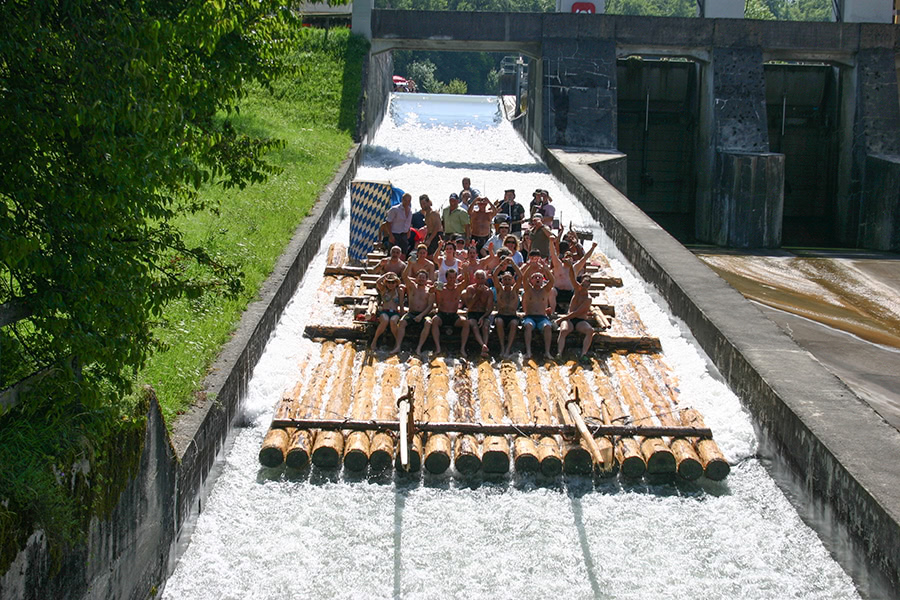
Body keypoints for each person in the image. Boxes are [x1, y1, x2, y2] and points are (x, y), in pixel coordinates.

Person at [556, 261, 601, 357]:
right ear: (581, 283)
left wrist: (560, 319)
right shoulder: (577, 289)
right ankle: (559, 353)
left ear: (589, 287)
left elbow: (577, 313)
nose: (584, 287)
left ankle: (583, 354)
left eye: (587, 286)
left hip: (580, 320)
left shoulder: (588, 299)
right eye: (583, 284)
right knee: (563, 330)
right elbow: (572, 277)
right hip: (569, 319)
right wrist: (570, 266)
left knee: (590, 331)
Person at [520, 258, 556, 359]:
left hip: (542, 317)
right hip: (530, 316)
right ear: (531, 280)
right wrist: (531, 267)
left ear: (542, 280)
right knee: (528, 325)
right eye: (535, 277)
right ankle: (528, 351)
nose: (537, 279)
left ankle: (547, 352)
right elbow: (524, 278)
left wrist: (546, 269)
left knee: (547, 326)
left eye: (539, 277)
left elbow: (552, 280)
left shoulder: (545, 290)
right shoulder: (528, 289)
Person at [550, 238, 597, 312]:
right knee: (551, 291)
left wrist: (592, 248)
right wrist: (551, 242)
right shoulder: (558, 265)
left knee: (579, 291)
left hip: (570, 292)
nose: (568, 259)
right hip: (557, 291)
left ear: (572, 259)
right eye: (566, 257)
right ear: (563, 259)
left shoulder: (575, 267)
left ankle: (572, 311)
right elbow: (553, 254)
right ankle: (552, 311)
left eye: (570, 258)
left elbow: (585, 258)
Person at [430, 268, 466, 355]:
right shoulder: (441, 287)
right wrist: (434, 287)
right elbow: (430, 291)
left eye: (454, 277)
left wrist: (465, 270)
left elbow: (467, 281)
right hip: (442, 314)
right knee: (434, 320)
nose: (452, 279)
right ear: (446, 278)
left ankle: (462, 348)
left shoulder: (458, 288)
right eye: (450, 277)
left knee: (466, 322)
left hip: (453, 315)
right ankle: (438, 347)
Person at [399, 268, 436, 355]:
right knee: (401, 322)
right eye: (420, 277)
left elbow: (430, 306)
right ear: (416, 278)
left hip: (423, 314)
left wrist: (421, 316)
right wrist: (409, 264)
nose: (421, 279)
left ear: (426, 280)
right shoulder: (412, 287)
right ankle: (397, 345)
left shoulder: (430, 291)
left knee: (428, 322)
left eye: (423, 278)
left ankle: (419, 347)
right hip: (411, 313)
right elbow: (404, 276)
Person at [492, 257, 523, 357]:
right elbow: (494, 275)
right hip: (501, 314)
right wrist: (502, 264)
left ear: (512, 280)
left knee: (514, 323)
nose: (507, 281)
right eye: (505, 279)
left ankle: (508, 348)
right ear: (502, 280)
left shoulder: (515, 290)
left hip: (512, 315)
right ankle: (502, 347)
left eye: (509, 279)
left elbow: (521, 276)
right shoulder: (500, 289)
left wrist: (513, 264)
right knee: (499, 322)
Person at [460, 269, 494, 358]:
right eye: (478, 278)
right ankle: (482, 345)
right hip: (472, 312)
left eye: (482, 278)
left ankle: (484, 346)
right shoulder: (470, 289)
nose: (480, 280)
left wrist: (483, 317)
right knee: (475, 326)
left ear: (485, 279)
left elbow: (490, 308)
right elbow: (469, 305)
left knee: (485, 326)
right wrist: (478, 294)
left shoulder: (488, 291)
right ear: (475, 279)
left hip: (483, 313)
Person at [371, 272, 405, 352]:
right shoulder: (383, 289)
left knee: (393, 321)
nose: (391, 284)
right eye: (389, 282)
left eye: (393, 282)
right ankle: (374, 341)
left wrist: (402, 314)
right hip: (384, 311)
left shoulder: (399, 290)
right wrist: (387, 274)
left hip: (395, 312)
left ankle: (397, 344)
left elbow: (401, 303)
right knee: (385, 320)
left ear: (396, 283)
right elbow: (378, 282)